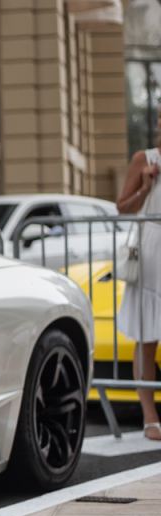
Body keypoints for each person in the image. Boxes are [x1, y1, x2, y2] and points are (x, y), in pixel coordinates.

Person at [117, 111, 161, 440]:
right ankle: (149, 414)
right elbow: (122, 207)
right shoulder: (143, 159)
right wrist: (146, 186)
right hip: (151, 249)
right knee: (148, 335)